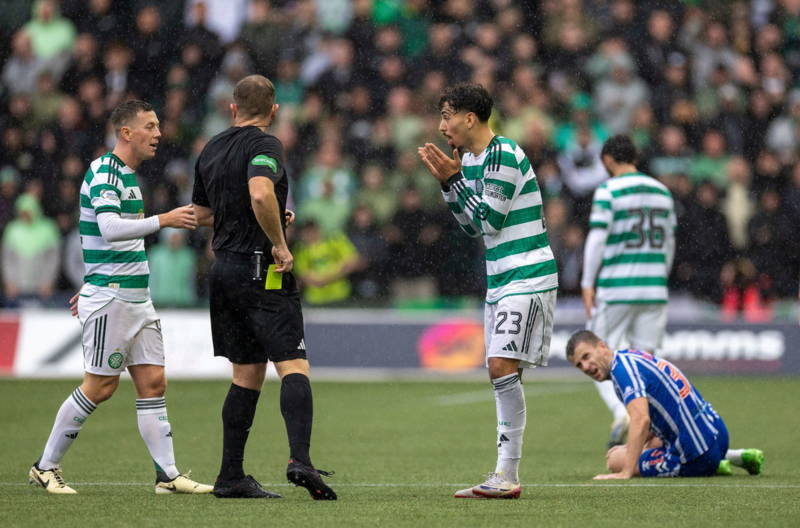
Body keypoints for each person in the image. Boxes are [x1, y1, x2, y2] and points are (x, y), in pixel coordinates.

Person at [29, 100, 212, 495]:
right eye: (150, 125)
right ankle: (45, 467)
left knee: (153, 382)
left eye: (158, 125)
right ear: (126, 132)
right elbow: (111, 228)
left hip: (135, 297)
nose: (158, 133)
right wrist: (164, 220)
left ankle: (167, 475)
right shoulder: (103, 172)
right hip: (112, 299)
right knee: (100, 386)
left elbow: (104, 236)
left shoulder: (128, 175)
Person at [191, 74, 336, 500]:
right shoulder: (266, 145)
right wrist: (278, 242)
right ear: (273, 111)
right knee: (293, 364)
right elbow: (259, 194)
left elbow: (203, 214)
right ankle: (299, 460)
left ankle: (231, 475)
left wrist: (264, 218)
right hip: (262, 269)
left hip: (224, 271)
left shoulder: (211, 148)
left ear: (232, 108)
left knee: (246, 374)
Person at [417, 83, 558, 499]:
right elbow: (470, 225)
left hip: (527, 273)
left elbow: (491, 220)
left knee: (500, 366)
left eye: (446, 116)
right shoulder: (475, 160)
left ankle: (506, 475)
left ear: (469, 117)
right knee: (501, 371)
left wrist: (454, 179)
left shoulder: (503, 154)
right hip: (500, 278)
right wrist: (450, 185)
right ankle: (504, 475)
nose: (442, 126)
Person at [581, 134, 677, 448]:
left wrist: (587, 281)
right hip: (653, 288)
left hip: (618, 287)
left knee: (594, 353)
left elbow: (597, 238)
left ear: (608, 160)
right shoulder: (662, 192)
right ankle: (657, 426)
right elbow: (669, 243)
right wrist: (659, 277)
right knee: (650, 360)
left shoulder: (609, 190)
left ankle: (624, 412)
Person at [566, 330, 765, 479]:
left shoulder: (622, 372)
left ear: (602, 346)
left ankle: (712, 465)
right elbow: (655, 415)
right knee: (646, 444)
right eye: (579, 365)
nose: (585, 367)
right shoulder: (631, 357)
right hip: (717, 433)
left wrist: (625, 472)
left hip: (697, 455)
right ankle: (734, 457)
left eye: (586, 357)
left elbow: (641, 419)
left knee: (615, 459)